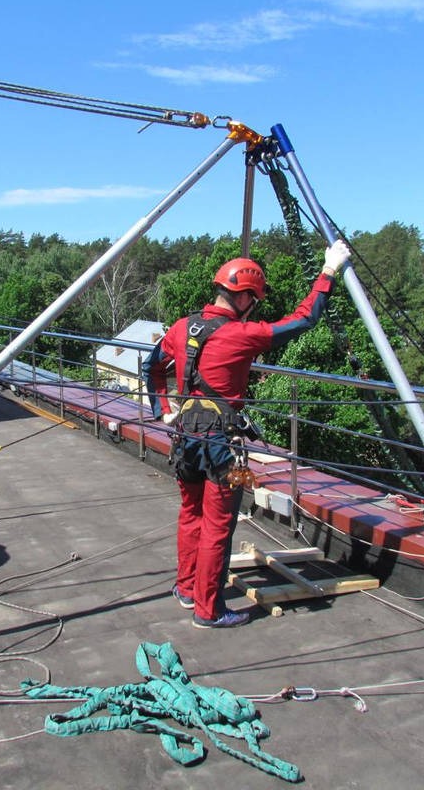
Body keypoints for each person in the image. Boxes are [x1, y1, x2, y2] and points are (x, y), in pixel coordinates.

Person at [143, 241, 351, 628]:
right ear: (244, 298)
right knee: (218, 527)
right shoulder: (242, 334)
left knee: (191, 516)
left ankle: (188, 590)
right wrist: (328, 273)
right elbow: (303, 320)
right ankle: (209, 609)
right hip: (220, 444)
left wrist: (164, 411)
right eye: (252, 301)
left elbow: (151, 366)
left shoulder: (182, 327)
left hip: (185, 436)